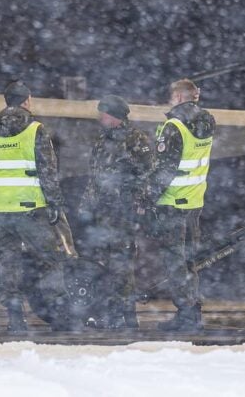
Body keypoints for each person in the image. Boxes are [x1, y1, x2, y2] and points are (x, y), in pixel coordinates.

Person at [0, 80, 77, 334]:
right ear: (27, 100)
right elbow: (48, 170)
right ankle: (61, 318)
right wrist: (55, 203)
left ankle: (15, 320)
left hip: (0, 211)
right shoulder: (35, 130)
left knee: (9, 264)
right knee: (52, 261)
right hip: (31, 210)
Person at [80, 94, 155, 329]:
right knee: (102, 264)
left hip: (122, 212)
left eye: (103, 112)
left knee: (121, 265)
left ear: (113, 115)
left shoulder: (135, 139)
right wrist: (86, 203)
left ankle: (125, 316)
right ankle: (108, 313)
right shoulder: (103, 141)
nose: (100, 117)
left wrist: (138, 202)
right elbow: (95, 177)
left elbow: (147, 173)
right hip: (101, 212)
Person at [147, 78, 215, 331]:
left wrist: (148, 197)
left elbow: (165, 169)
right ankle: (193, 309)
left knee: (175, 261)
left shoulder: (174, 126)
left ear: (177, 98)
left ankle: (187, 313)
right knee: (188, 259)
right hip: (194, 200)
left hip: (172, 202)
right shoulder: (206, 122)